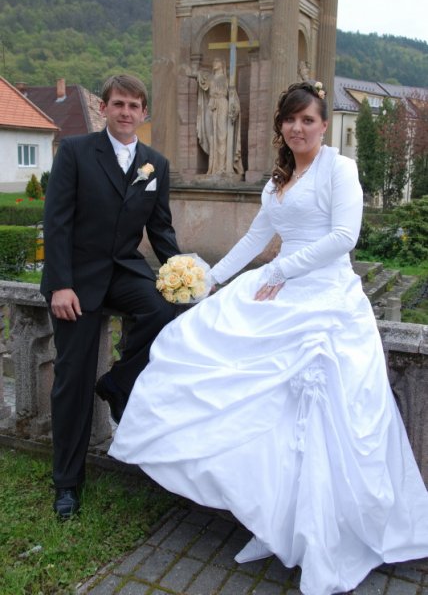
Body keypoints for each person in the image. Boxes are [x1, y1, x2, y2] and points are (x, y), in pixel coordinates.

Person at [109, 81, 428, 595]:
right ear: (280, 126)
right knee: (233, 381)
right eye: (291, 119)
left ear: (323, 125)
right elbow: (256, 237)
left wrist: (281, 270)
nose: (299, 128)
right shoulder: (278, 179)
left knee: (314, 420)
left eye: (308, 120)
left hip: (324, 300)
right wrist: (208, 279)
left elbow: (344, 238)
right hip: (279, 287)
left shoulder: (339, 170)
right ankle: (273, 521)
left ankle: (317, 533)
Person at [41, 74, 180, 519]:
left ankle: (118, 381)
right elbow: (56, 221)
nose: (125, 112)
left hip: (123, 270)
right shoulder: (75, 152)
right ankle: (67, 483)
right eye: (118, 103)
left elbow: (161, 230)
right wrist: (60, 283)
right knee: (73, 381)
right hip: (77, 278)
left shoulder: (155, 164)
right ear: (103, 108)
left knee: (163, 309)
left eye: (134, 106)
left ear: (144, 113)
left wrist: (187, 276)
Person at [187, 57, 244, 177]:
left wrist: (234, 108)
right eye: (213, 61)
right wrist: (187, 70)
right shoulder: (210, 77)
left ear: (222, 64)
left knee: (222, 136)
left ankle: (222, 168)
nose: (214, 63)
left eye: (217, 61)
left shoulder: (226, 79)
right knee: (211, 135)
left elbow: (233, 95)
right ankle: (212, 167)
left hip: (223, 105)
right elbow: (196, 75)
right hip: (211, 105)